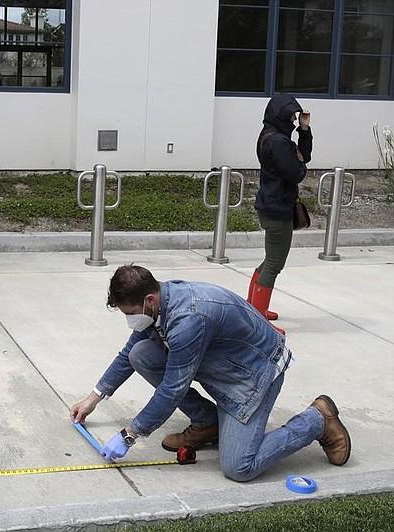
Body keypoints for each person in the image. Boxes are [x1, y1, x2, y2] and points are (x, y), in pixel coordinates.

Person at [70, 264, 350, 482]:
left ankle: (316, 420)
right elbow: (127, 354)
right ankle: (207, 422)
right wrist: (92, 398)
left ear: (150, 299)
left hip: (255, 374)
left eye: (130, 312)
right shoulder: (158, 306)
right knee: (140, 353)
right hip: (226, 361)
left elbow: (172, 389)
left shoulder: (188, 319)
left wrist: (130, 434)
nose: (129, 319)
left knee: (239, 467)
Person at [248, 94, 312, 335]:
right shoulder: (278, 142)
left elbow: (303, 157)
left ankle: (254, 308)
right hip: (278, 208)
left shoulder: (270, 135)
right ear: (282, 115)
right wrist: (300, 165)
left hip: (270, 204)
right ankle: (258, 321)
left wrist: (304, 131)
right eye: (293, 116)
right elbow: (296, 172)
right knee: (275, 263)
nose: (295, 120)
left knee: (269, 259)